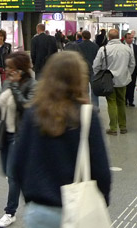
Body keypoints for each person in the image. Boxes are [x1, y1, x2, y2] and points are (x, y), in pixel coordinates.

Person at [11, 51, 111, 227]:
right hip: (77, 211)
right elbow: (101, 169)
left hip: (39, 212)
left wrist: (31, 196)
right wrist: (102, 200)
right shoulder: (87, 116)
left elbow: (18, 163)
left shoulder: (33, 112)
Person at [0, 51, 36, 227]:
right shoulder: (7, 82)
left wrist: (16, 87)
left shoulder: (32, 85)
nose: (8, 70)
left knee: (12, 175)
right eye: (7, 66)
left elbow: (27, 108)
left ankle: (10, 213)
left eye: (11, 67)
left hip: (21, 137)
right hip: (5, 135)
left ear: (20, 68)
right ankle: (33, 201)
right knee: (8, 172)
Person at [93, 29, 136, 135]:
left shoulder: (103, 49)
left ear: (109, 37)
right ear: (119, 37)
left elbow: (96, 66)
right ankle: (123, 127)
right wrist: (127, 74)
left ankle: (113, 128)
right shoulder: (127, 49)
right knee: (121, 102)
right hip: (122, 80)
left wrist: (99, 76)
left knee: (111, 103)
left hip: (108, 81)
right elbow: (132, 64)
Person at [66, 30, 100, 106]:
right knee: (94, 90)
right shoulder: (95, 46)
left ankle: (86, 105)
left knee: (84, 90)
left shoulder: (78, 46)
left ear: (83, 36)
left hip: (83, 70)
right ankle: (96, 106)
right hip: (93, 69)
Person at [125, 30, 137, 107]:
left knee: (132, 85)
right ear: (125, 39)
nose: (131, 39)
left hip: (134, 69)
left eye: (132, 38)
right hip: (125, 69)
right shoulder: (123, 47)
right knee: (126, 85)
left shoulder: (136, 47)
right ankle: (124, 100)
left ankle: (131, 100)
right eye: (129, 38)